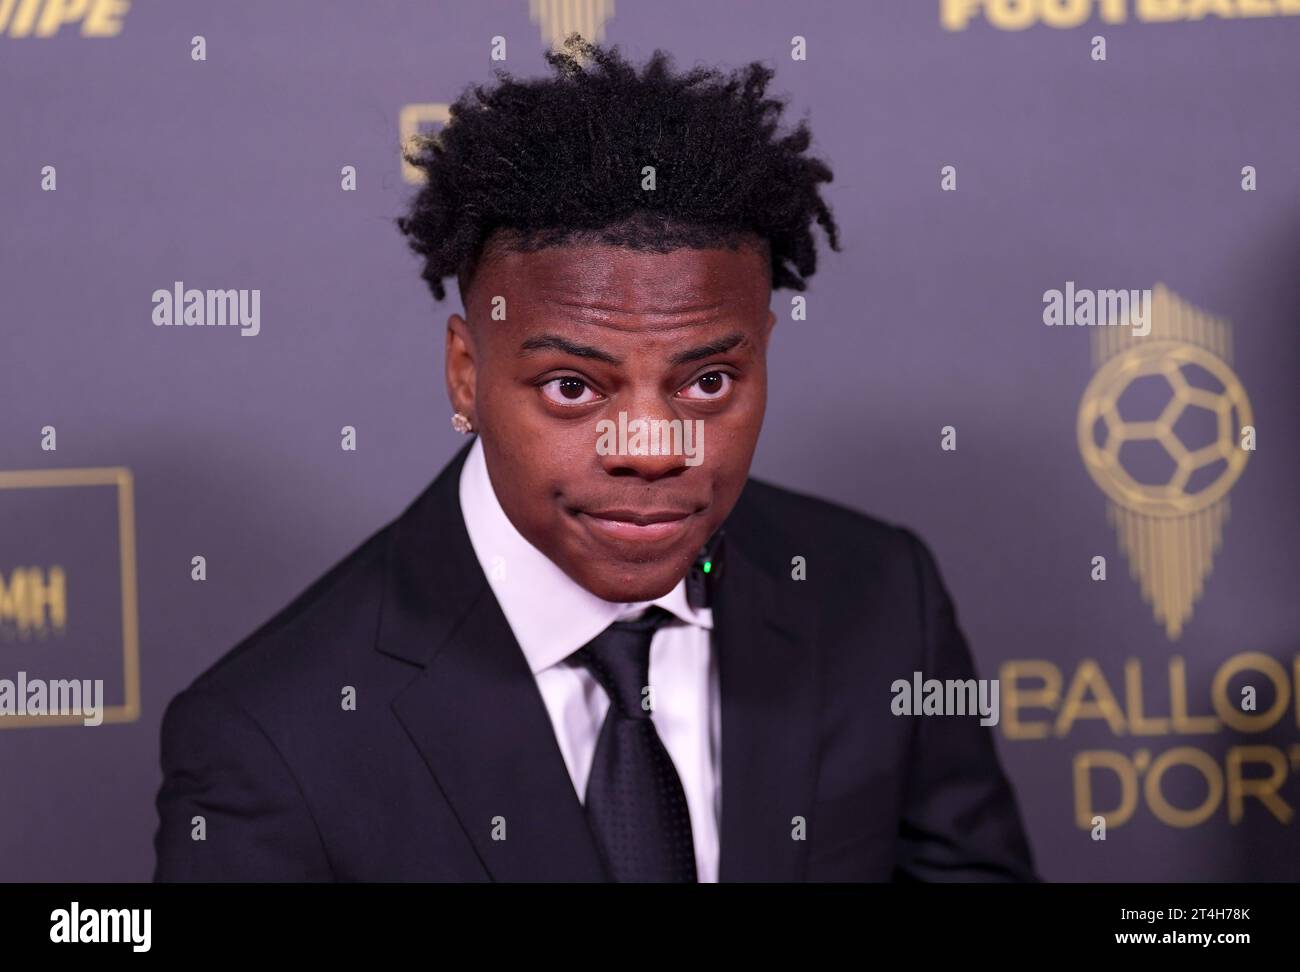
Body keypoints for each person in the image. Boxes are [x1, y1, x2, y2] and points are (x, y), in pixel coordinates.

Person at [153, 35, 1035, 883]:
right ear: (468, 374)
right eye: (574, 388)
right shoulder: (270, 738)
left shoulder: (882, 600)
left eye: (709, 381)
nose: (650, 450)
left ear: (766, 350)